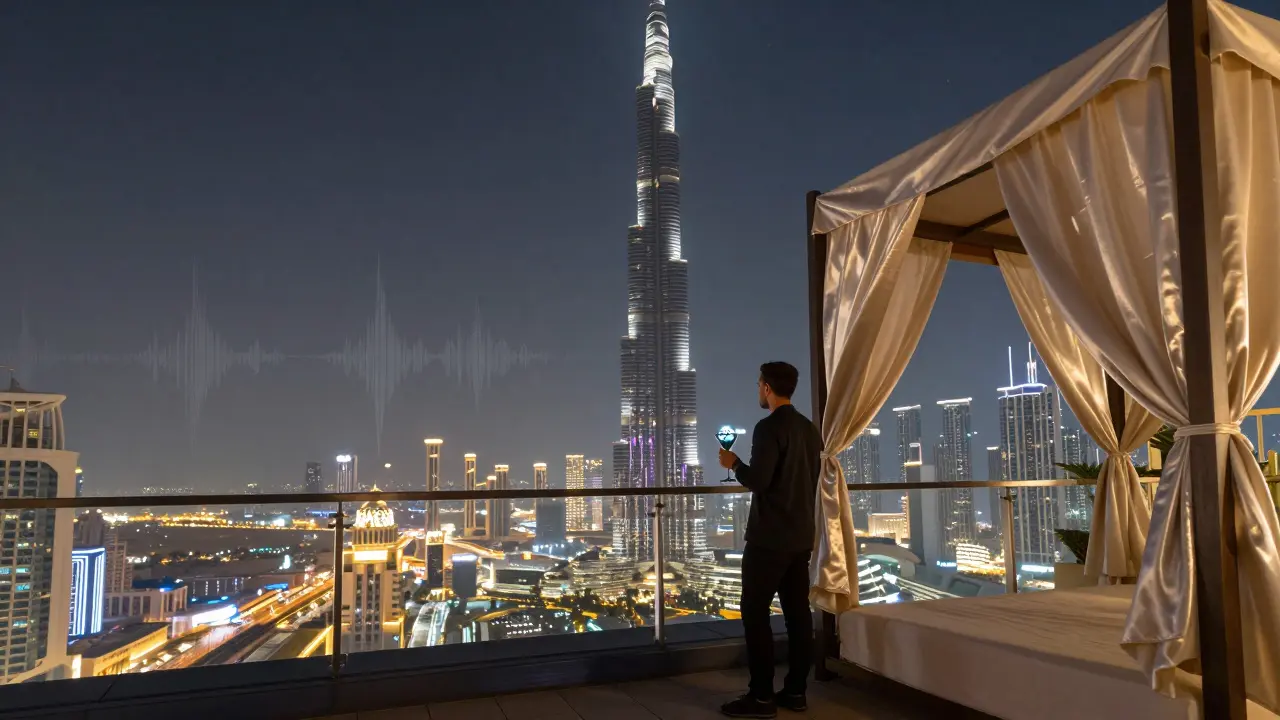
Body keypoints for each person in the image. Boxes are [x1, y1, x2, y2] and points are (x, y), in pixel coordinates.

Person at [717, 361, 823, 718]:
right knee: (797, 615)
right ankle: (795, 691)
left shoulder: (767, 428)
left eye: (758, 384)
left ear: (766, 387)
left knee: (754, 612)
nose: (758, 389)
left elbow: (759, 481)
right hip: (801, 536)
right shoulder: (810, 430)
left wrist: (733, 463)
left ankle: (761, 697)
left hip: (769, 538)